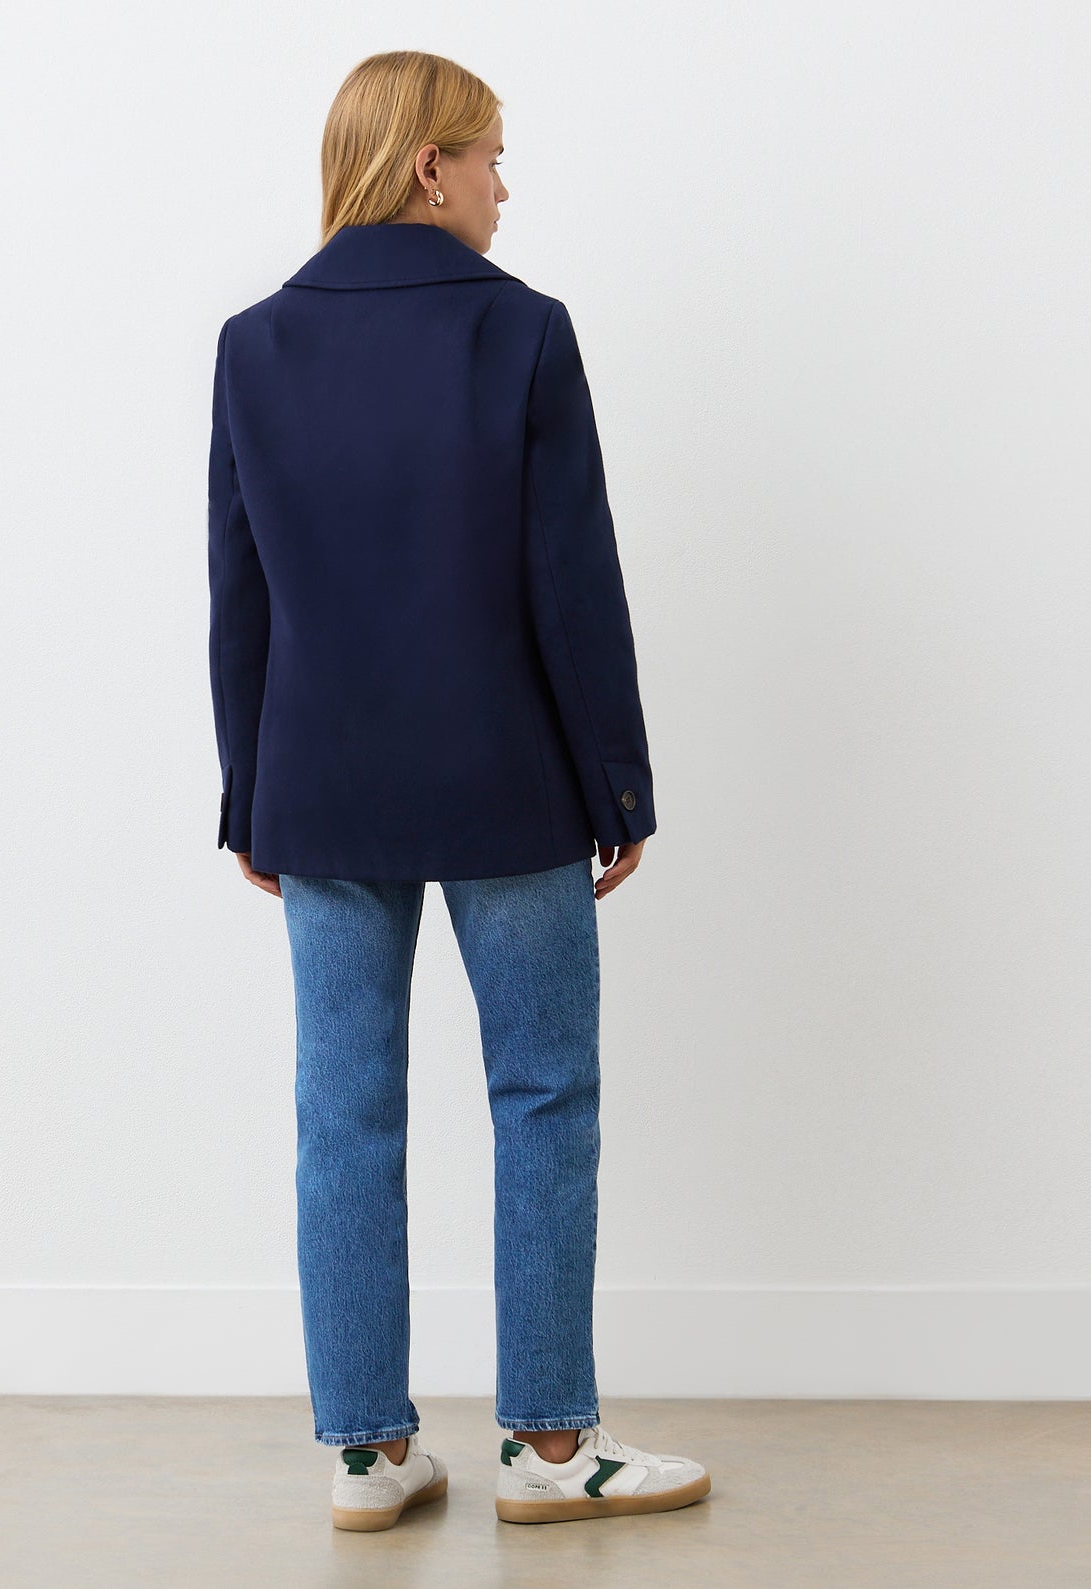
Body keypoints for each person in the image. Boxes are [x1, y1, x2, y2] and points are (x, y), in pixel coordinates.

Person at [207, 49, 710, 1530]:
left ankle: (368, 1454)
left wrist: (250, 791)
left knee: (340, 1111)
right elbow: (573, 584)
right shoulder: (522, 334)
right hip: (508, 779)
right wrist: (615, 782)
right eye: (490, 153)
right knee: (543, 1094)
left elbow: (240, 594)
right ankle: (550, 1454)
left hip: (324, 782)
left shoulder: (254, 343)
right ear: (429, 165)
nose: (504, 180)